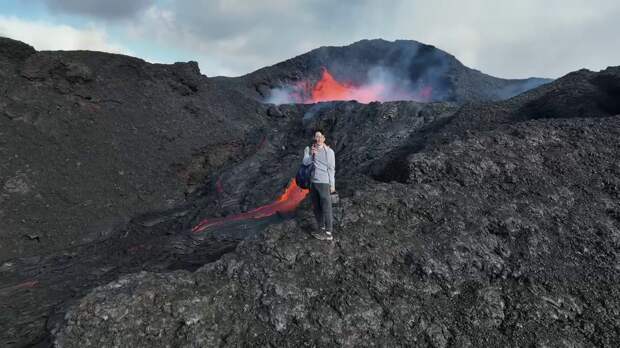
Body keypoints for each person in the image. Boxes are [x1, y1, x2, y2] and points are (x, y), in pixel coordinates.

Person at [302, 131, 336, 240]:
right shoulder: (314, 150)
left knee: (326, 207)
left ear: (324, 138)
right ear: (315, 138)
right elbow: (306, 163)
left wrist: (332, 185)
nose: (318, 138)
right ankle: (321, 228)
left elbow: (331, 169)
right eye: (317, 136)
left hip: (324, 182)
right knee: (316, 207)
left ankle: (329, 232)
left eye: (320, 136)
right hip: (313, 183)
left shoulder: (329, 152)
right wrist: (308, 153)